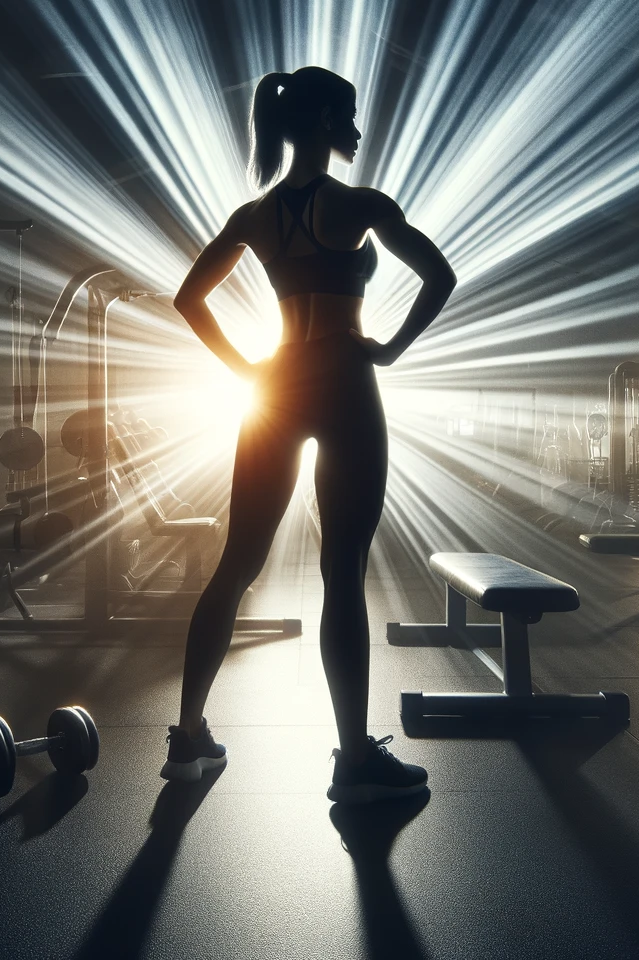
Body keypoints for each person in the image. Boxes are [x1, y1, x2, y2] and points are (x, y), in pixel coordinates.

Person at [162, 66, 456, 803]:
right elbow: (440, 276)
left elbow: (188, 298)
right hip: (346, 388)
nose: (356, 129)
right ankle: (354, 759)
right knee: (342, 572)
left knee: (235, 564)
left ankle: (187, 737)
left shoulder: (256, 217)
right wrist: (386, 349)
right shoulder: (359, 204)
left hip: (278, 388)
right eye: (348, 115)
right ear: (324, 120)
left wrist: (247, 369)